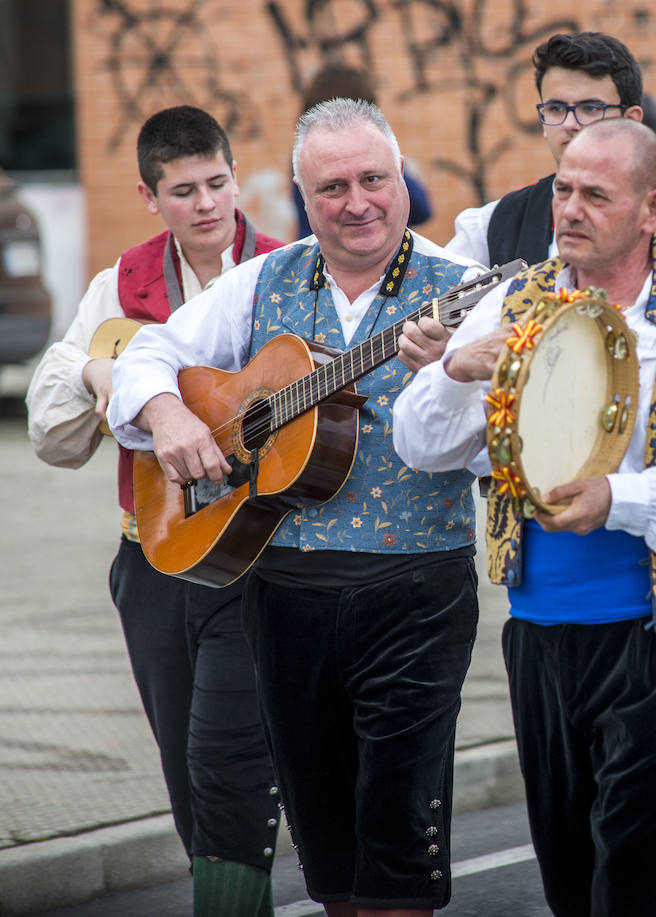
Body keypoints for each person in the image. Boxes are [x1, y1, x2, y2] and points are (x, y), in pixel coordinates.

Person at [393, 117, 656, 916]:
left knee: (634, 889)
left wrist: (624, 498)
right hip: (539, 635)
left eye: (595, 194)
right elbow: (421, 444)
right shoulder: (519, 297)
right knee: (571, 885)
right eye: (563, 189)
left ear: (652, 209)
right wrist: (455, 371)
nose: (569, 209)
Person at [108, 98, 484, 917]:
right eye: (333, 186)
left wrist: (449, 376)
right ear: (300, 201)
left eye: (374, 179)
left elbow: (496, 448)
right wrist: (169, 414)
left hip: (414, 592)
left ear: (401, 179)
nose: (357, 202)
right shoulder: (261, 280)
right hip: (281, 595)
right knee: (328, 856)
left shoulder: (465, 293)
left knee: (396, 841)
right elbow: (148, 352)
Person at [26, 105, 283, 915]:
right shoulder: (120, 284)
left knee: (229, 760)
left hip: (257, 560)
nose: (207, 204)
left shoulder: (286, 269)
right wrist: (107, 377)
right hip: (153, 557)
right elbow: (51, 432)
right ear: (149, 195)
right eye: (183, 191)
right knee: (182, 768)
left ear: (236, 176)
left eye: (218, 183)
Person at [446, 31, 656, 268]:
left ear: (633, 120)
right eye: (555, 109)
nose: (570, 124)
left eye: (590, 108)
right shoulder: (492, 223)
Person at [290, 62, 432, 239]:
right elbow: (422, 207)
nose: (357, 207)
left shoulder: (304, 153)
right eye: (333, 187)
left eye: (371, 179)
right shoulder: (368, 149)